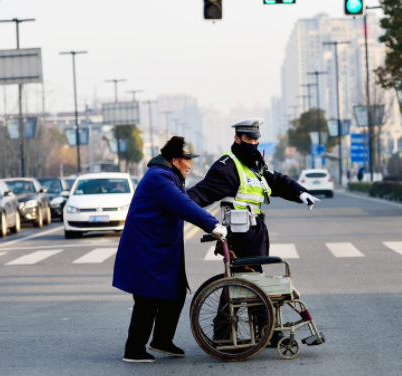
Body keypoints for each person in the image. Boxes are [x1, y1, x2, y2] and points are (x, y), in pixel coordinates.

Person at [113, 136, 227, 363]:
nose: (190, 165)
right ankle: (134, 350)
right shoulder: (159, 178)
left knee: (175, 293)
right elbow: (182, 204)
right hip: (146, 251)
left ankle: (162, 340)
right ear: (175, 160)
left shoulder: (167, 176)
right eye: (187, 160)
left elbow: (187, 201)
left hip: (158, 250)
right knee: (147, 300)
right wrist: (212, 224)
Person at [186, 118, 320, 264]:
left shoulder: (255, 165)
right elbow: (202, 193)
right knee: (245, 283)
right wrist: (176, 206)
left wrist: (300, 193)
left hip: (254, 235)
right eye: (248, 139)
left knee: (252, 282)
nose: (253, 143)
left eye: (256, 140)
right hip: (238, 238)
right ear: (237, 138)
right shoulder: (227, 167)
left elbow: (276, 180)